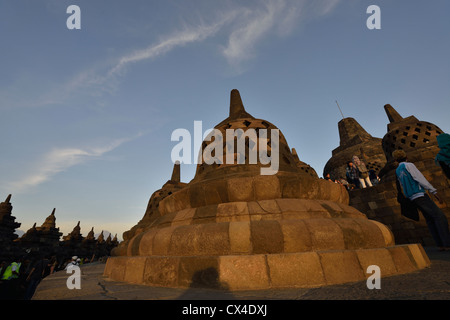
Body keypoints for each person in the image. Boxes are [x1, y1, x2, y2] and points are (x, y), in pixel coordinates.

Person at [393, 149, 450, 251]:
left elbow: (402, 185)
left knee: (430, 220)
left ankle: (440, 245)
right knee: (439, 217)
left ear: (396, 160)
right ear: (406, 157)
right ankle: (446, 244)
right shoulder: (408, 165)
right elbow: (419, 178)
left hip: (411, 197)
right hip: (419, 194)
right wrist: (434, 191)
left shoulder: (397, 170)